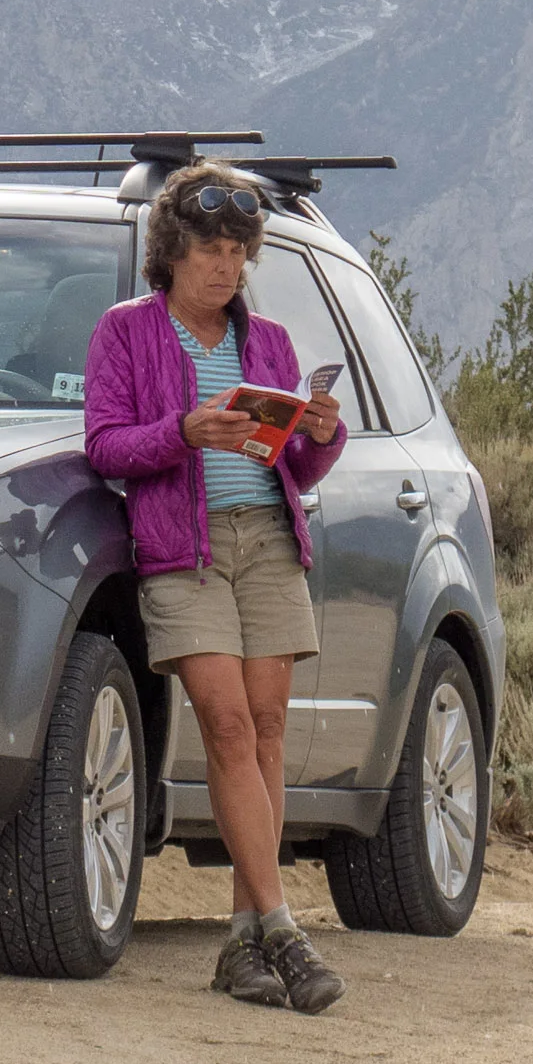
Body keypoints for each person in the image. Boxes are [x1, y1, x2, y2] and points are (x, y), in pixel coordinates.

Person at [81, 161, 350, 1015]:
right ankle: (283, 928)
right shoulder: (125, 332)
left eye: (237, 250)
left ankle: (242, 943)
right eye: (209, 250)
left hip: (269, 542)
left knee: (267, 731)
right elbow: (105, 447)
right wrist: (184, 431)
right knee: (228, 725)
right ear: (173, 252)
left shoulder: (265, 342)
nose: (225, 266)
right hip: (181, 553)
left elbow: (295, 469)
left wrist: (322, 433)